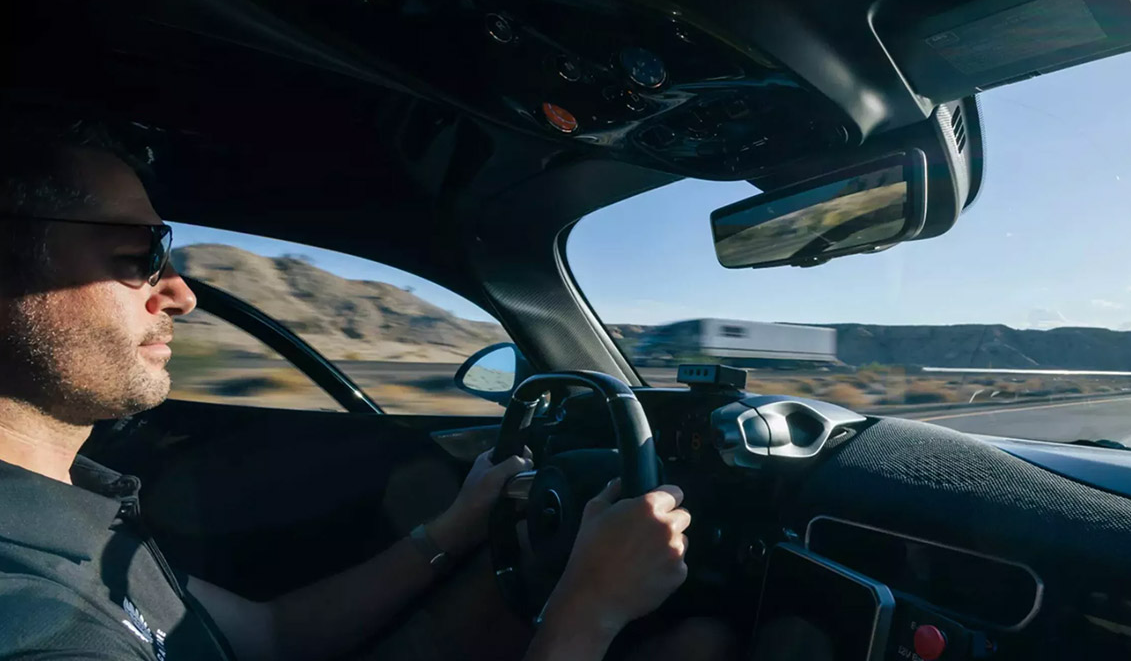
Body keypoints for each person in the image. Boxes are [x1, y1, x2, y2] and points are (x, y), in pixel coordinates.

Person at [0, 118, 727, 661]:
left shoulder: (72, 508)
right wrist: (589, 611)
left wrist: (456, 525)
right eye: (135, 257)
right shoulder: (31, 616)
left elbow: (273, 635)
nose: (182, 294)